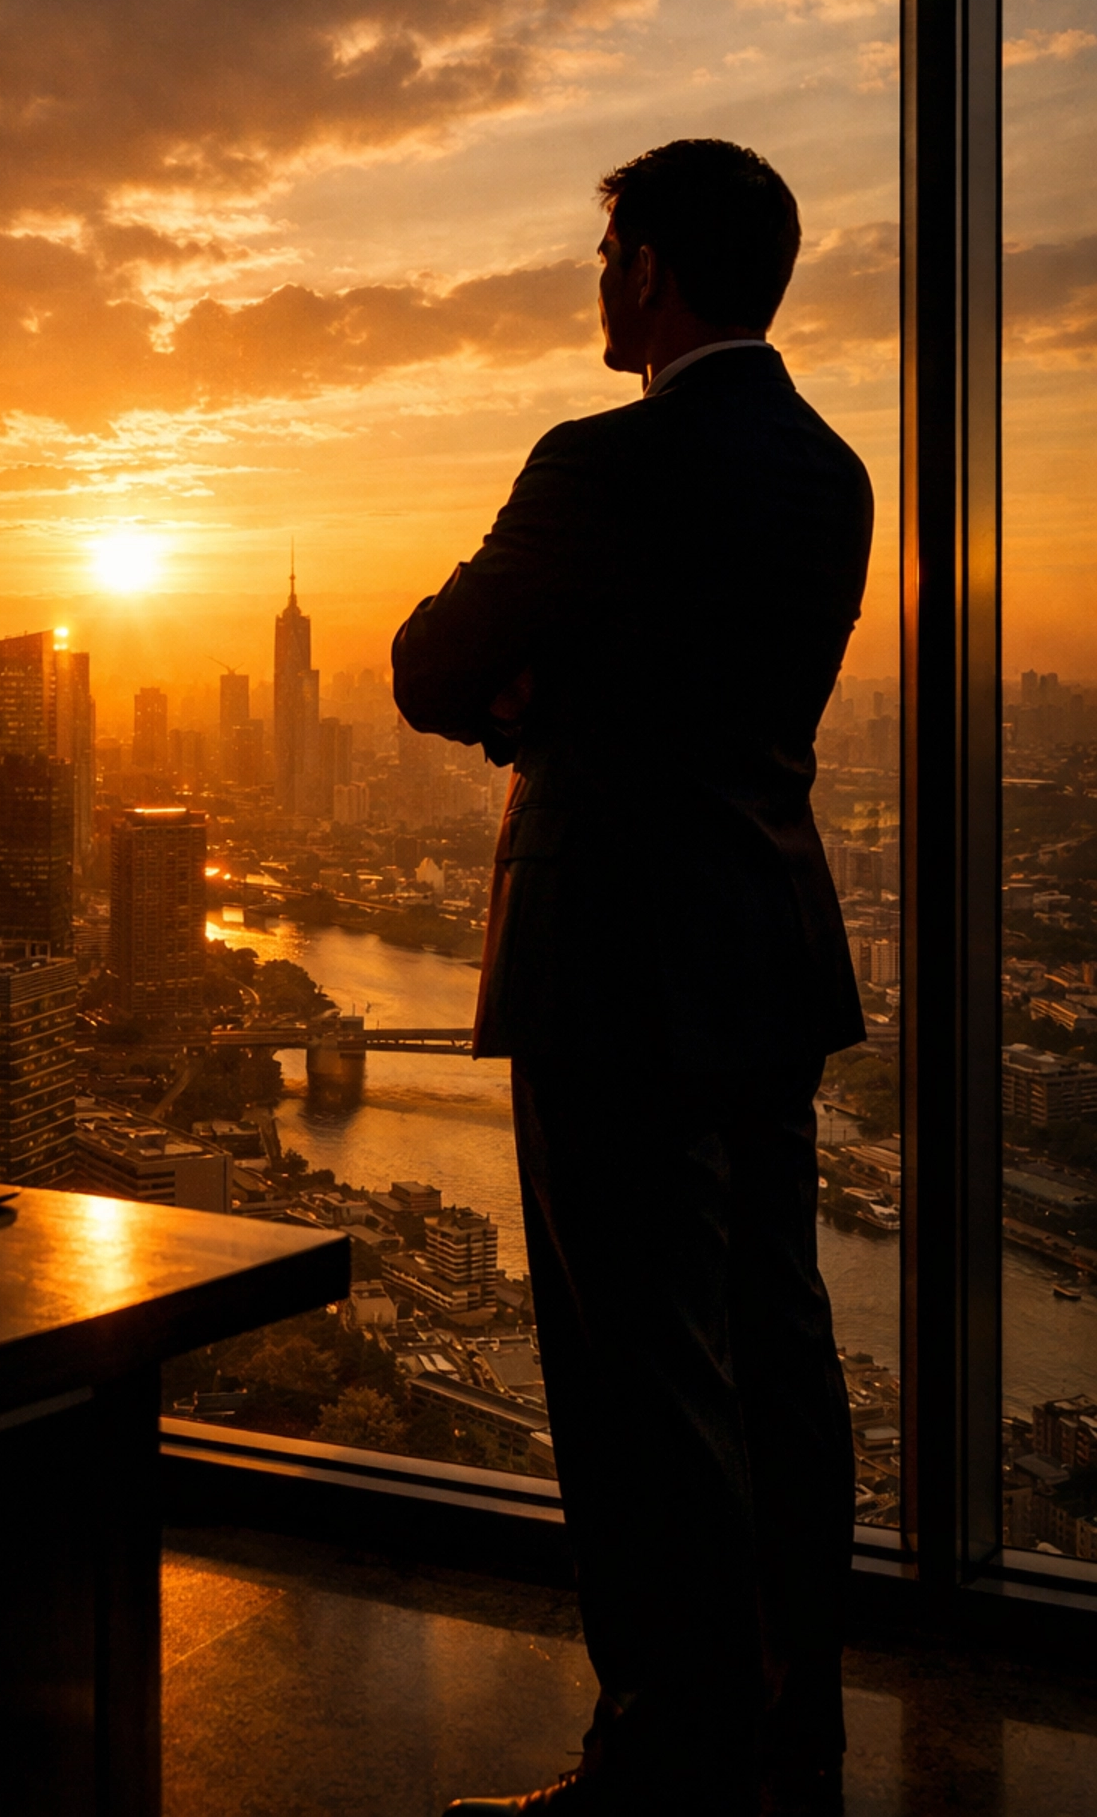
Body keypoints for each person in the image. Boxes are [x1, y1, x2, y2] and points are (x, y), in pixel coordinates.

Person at [392, 140, 873, 1817]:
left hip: (608, 958)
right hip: (765, 949)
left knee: (633, 1375)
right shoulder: (834, 475)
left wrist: (538, 702)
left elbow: (428, 664)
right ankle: (790, 1722)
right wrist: (583, 683)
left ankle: (664, 1762)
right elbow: (721, 685)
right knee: (776, 1349)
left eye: (608, 258)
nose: (599, 286)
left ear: (651, 269)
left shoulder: (598, 465)